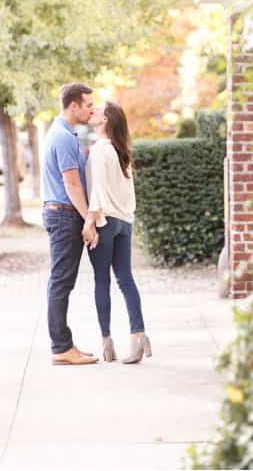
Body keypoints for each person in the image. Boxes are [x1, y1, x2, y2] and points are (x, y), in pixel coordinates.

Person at [84, 100, 151, 364]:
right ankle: (138, 335)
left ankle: (106, 342)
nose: (93, 112)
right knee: (126, 278)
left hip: (106, 221)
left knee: (102, 281)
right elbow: (128, 193)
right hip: (124, 221)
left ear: (106, 120)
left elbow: (98, 189)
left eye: (98, 110)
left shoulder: (101, 149)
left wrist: (91, 221)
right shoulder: (121, 151)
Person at [42, 82, 99, 365]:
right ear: (73, 106)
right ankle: (61, 347)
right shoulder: (62, 137)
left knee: (63, 281)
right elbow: (73, 183)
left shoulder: (68, 133)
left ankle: (63, 345)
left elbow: (83, 157)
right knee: (61, 282)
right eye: (88, 104)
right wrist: (89, 217)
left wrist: (93, 129)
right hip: (65, 214)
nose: (92, 108)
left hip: (64, 212)